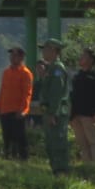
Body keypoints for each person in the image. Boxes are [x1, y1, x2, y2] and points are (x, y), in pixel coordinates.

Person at [37, 39, 72, 175]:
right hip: (50, 111)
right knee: (51, 142)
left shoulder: (57, 69)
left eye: (45, 49)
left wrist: (52, 113)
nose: (43, 52)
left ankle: (61, 170)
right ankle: (56, 169)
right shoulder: (51, 68)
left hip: (56, 113)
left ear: (53, 51)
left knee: (58, 142)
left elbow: (56, 93)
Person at [69, 48, 95, 165]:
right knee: (82, 142)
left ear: (91, 60)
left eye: (84, 56)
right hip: (76, 115)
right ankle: (86, 165)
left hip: (90, 115)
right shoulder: (77, 76)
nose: (81, 58)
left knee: (93, 141)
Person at [0, 46, 34, 160]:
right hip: (5, 109)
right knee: (7, 136)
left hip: (17, 110)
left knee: (20, 136)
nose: (12, 58)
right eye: (11, 55)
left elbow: (27, 93)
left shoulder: (26, 73)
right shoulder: (6, 72)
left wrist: (23, 110)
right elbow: (2, 91)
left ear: (21, 57)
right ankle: (7, 156)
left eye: (15, 55)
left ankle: (23, 158)